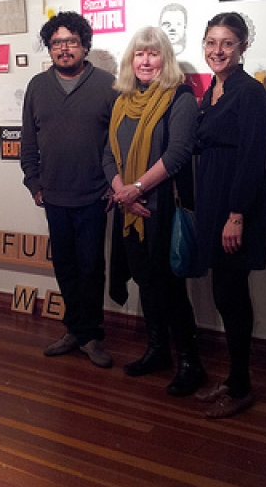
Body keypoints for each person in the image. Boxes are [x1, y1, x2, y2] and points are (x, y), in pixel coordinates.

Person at [103, 26, 206, 396]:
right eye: (139, 54)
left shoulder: (179, 98)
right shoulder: (122, 101)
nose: (145, 61)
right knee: (147, 284)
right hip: (129, 210)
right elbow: (107, 154)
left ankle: (191, 363)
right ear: (132, 60)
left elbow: (177, 153)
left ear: (165, 59)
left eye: (153, 54)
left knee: (170, 288)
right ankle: (157, 350)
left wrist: (137, 188)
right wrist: (121, 192)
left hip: (160, 209)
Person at [20, 11, 117, 368]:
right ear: (49, 47)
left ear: (84, 45)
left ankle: (92, 336)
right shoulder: (36, 86)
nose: (64, 49)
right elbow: (28, 142)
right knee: (65, 266)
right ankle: (74, 330)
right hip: (54, 196)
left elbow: (117, 142)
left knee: (92, 267)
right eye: (57, 42)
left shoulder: (107, 84)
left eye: (71, 42)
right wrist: (33, 182)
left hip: (94, 195)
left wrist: (113, 184)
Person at [194, 12, 266, 419]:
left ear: (242, 46)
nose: (217, 51)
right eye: (210, 42)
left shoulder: (250, 93)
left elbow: (252, 157)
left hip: (236, 204)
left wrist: (237, 214)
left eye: (226, 43)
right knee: (224, 293)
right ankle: (233, 378)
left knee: (232, 295)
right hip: (213, 199)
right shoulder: (212, 91)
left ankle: (240, 385)